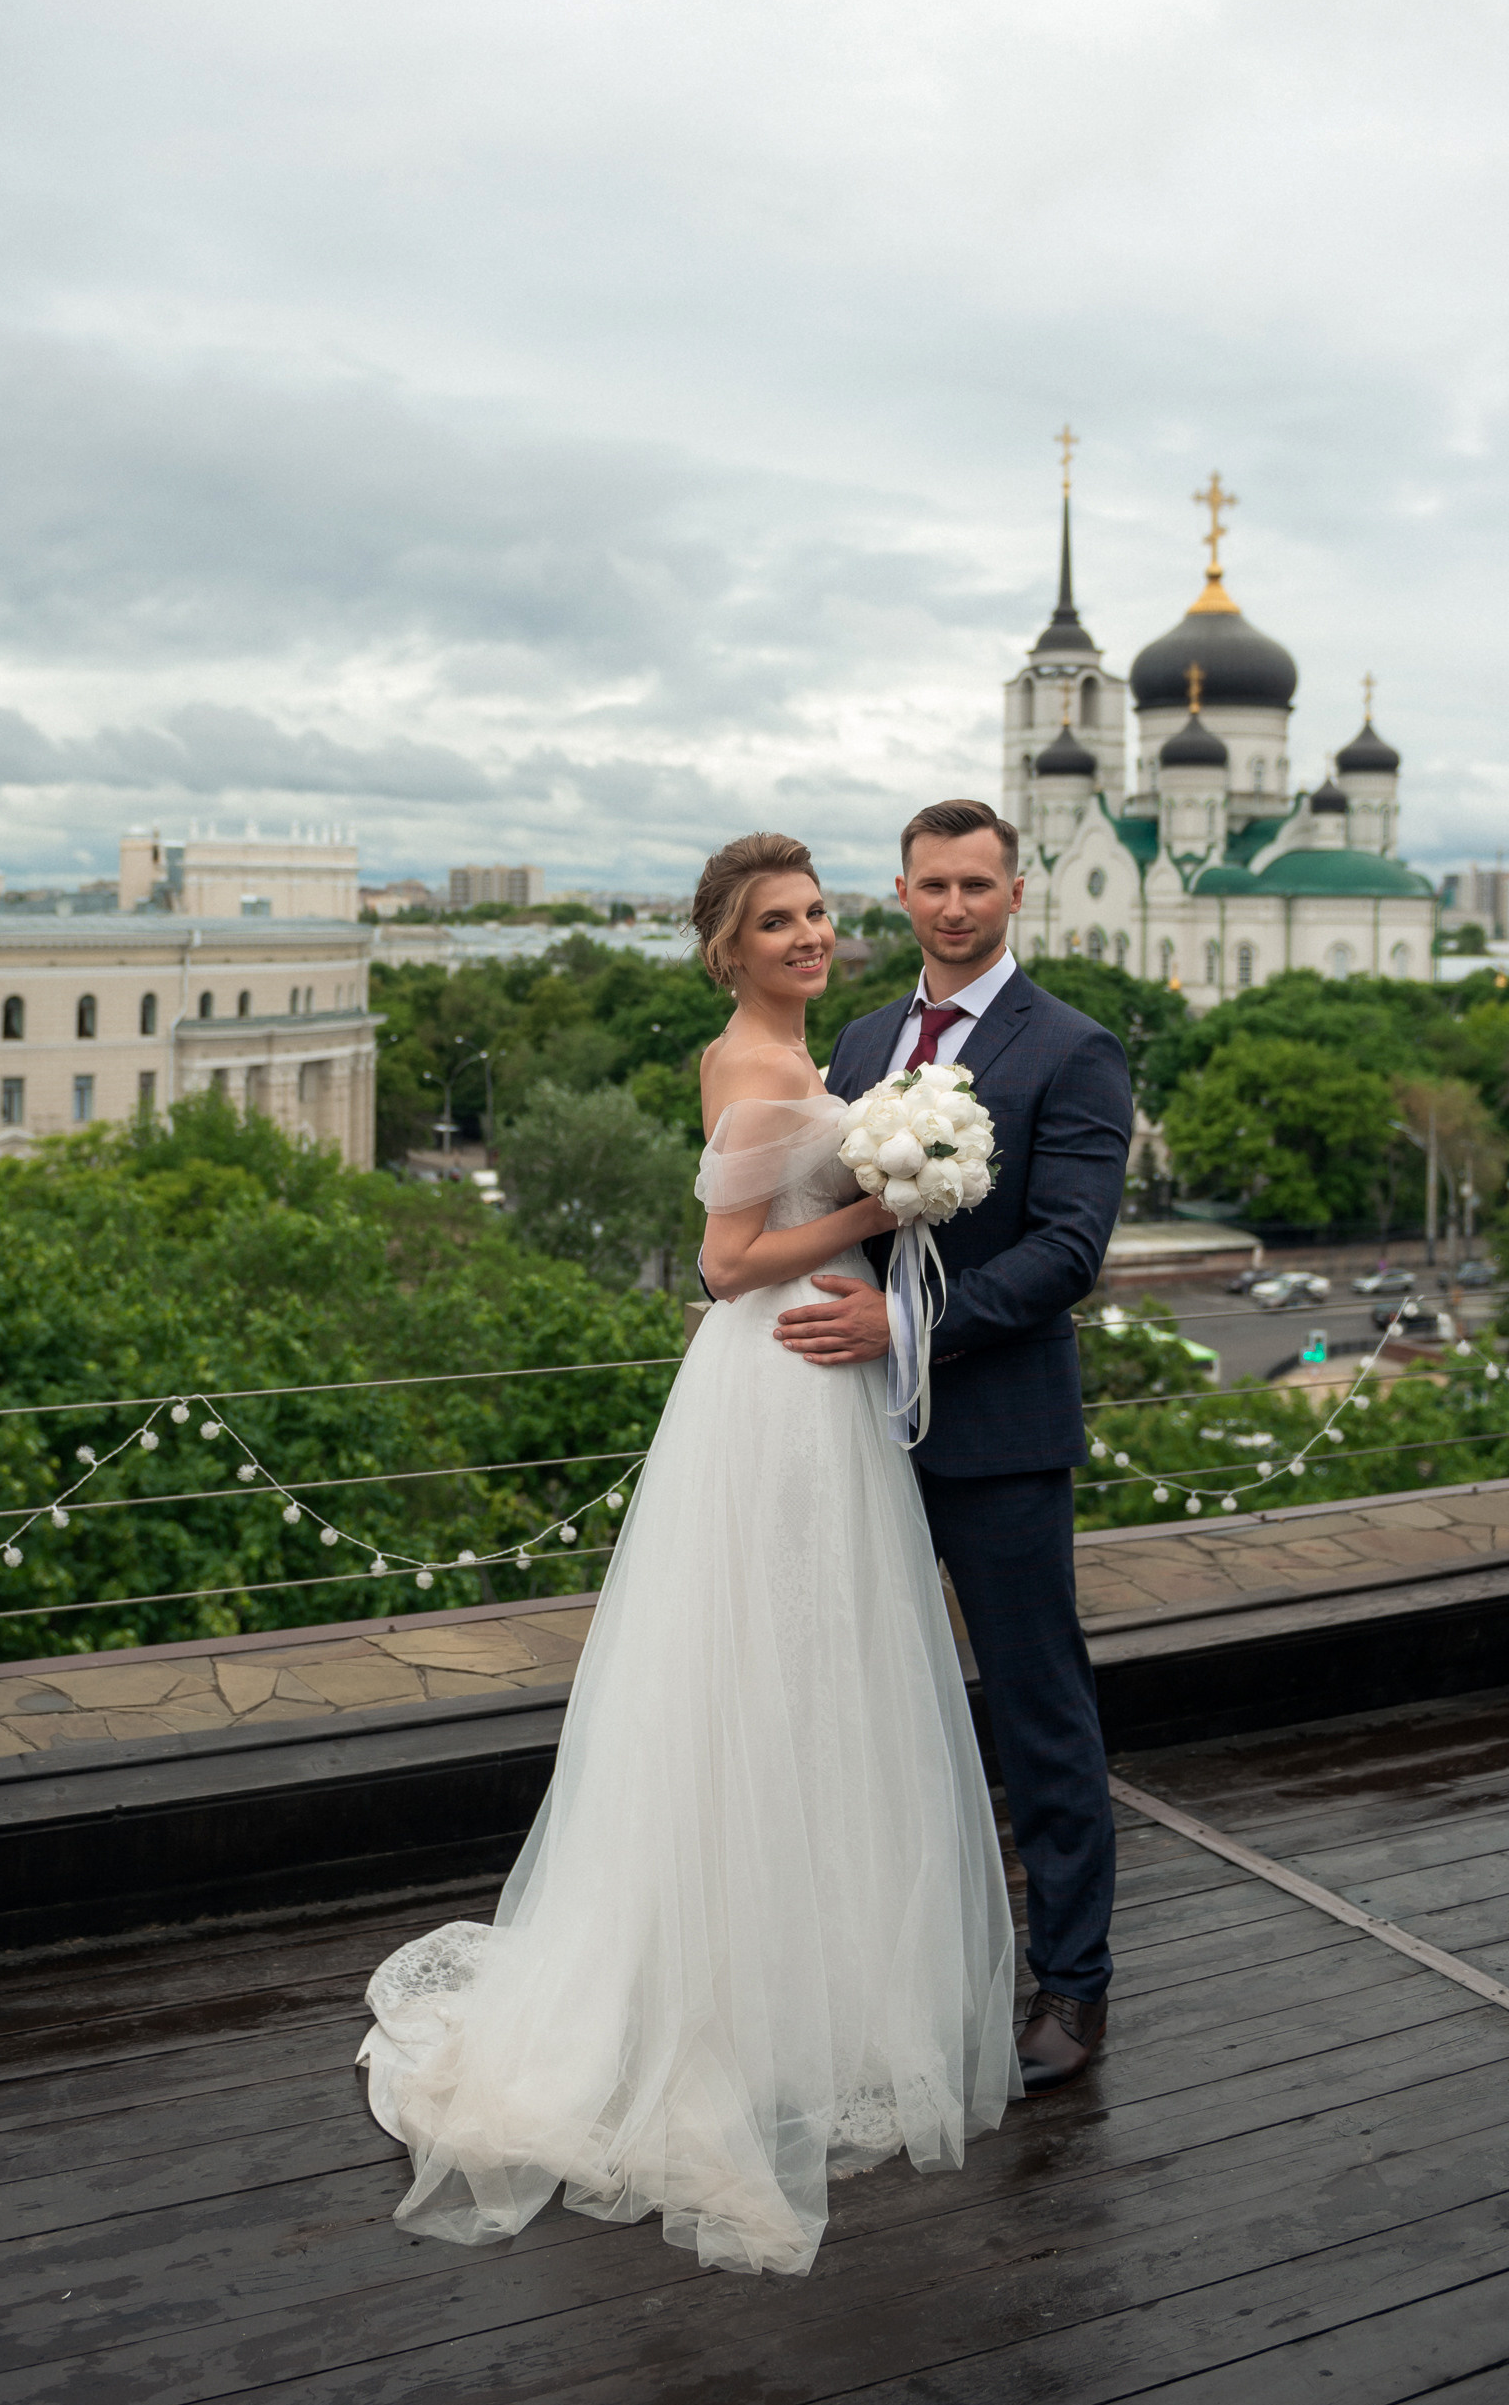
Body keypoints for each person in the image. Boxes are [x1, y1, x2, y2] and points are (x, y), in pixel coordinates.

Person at [357, 831, 1016, 2277]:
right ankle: (724, 2001)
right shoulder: (756, 1064)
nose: (810, 937)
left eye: (818, 914)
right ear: (728, 948)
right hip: (773, 1384)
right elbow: (722, 1261)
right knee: (763, 1675)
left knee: (804, 1675)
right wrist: (879, 1202)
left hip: (812, 1379)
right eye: (777, 922)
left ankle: (793, 1984)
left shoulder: (801, 1054)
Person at [787, 799, 1133, 2091]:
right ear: (901, 892)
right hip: (854, 1430)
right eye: (929, 885)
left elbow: (1066, 1251)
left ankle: (1075, 1989)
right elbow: (834, 1205)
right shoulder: (867, 1037)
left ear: (1013, 894)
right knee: (872, 1701)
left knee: (1038, 1711)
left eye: (974, 885)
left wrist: (908, 1325)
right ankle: (910, 1959)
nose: (950, 907)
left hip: (994, 1431)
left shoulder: (1073, 1048)